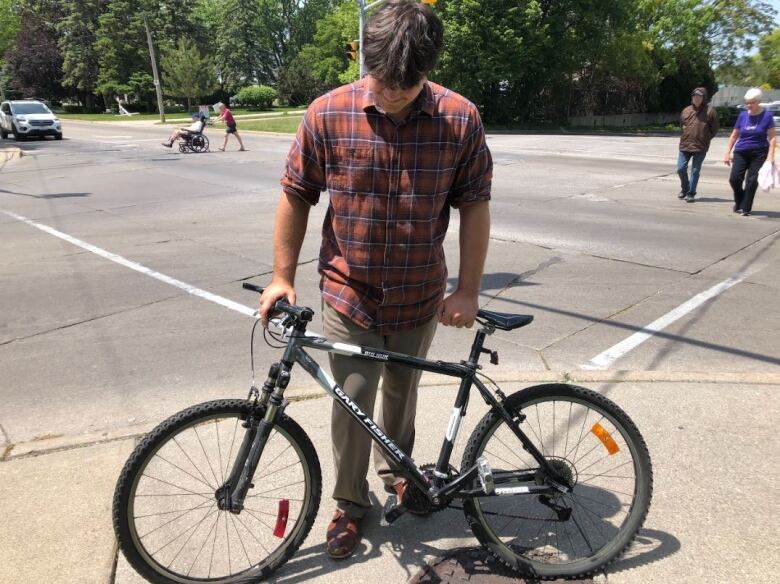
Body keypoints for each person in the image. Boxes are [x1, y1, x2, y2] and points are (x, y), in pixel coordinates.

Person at [258, 0, 492, 561]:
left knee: (401, 396)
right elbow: (296, 193)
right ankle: (350, 504)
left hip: (419, 292)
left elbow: (475, 206)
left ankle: (401, 476)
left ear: (427, 71)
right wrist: (280, 277)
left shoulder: (460, 118)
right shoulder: (328, 112)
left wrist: (468, 289)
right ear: (366, 58)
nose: (390, 94)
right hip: (349, 293)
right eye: (383, 82)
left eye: (405, 88)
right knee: (353, 403)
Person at [723, 87, 777, 216]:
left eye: (751, 102)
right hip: (741, 151)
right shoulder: (742, 116)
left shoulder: (767, 116)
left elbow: (773, 137)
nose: (748, 105)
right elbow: (734, 135)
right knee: (734, 179)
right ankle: (740, 200)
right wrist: (727, 152)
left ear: (758, 101)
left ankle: (746, 207)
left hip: (759, 153)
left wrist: (770, 156)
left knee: (752, 181)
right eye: (747, 102)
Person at [677, 87, 719, 202]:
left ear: (703, 98)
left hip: (700, 147)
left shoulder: (710, 111)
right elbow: (682, 125)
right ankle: (685, 188)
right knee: (681, 168)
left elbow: (714, 129)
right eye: (694, 96)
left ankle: (691, 193)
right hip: (685, 145)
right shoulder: (686, 110)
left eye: (699, 96)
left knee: (695, 171)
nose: (696, 98)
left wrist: (705, 138)